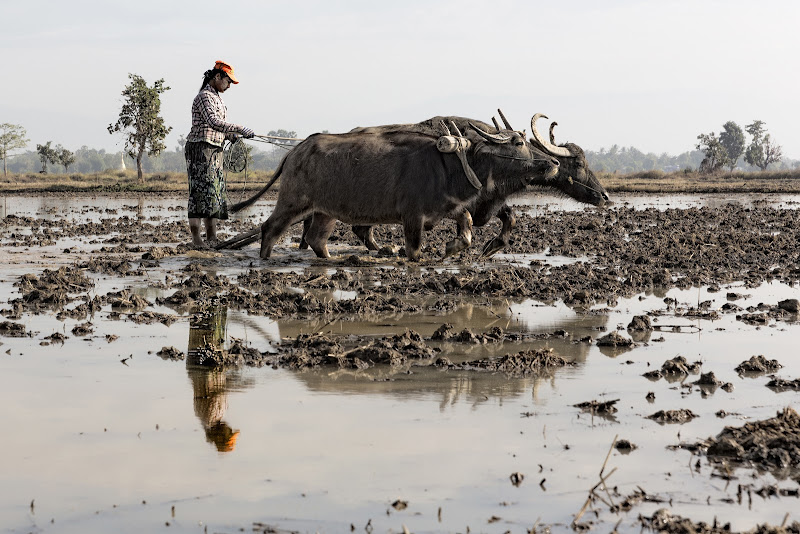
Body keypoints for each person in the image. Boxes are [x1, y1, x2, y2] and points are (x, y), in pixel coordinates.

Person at [185, 60, 255, 248]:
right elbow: (213, 121)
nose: (229, 85)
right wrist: (239, 128)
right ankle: (197, 240)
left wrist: (229, 135)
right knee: (200, 194)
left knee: (213, 193)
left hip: (215, 149)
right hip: (201, 149)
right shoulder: (205, 97)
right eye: (228, 81)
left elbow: (217, 128)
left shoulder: (218, 98)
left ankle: (212, 237)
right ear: (217, 77)